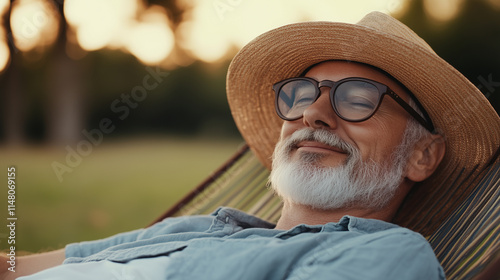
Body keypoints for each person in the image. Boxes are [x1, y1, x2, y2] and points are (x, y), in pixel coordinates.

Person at [2, 11, 499, 280]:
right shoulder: (195, 228)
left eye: (359, 98)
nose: (312, 113)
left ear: (423, 155)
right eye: (302, 94)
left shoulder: (389, 255)